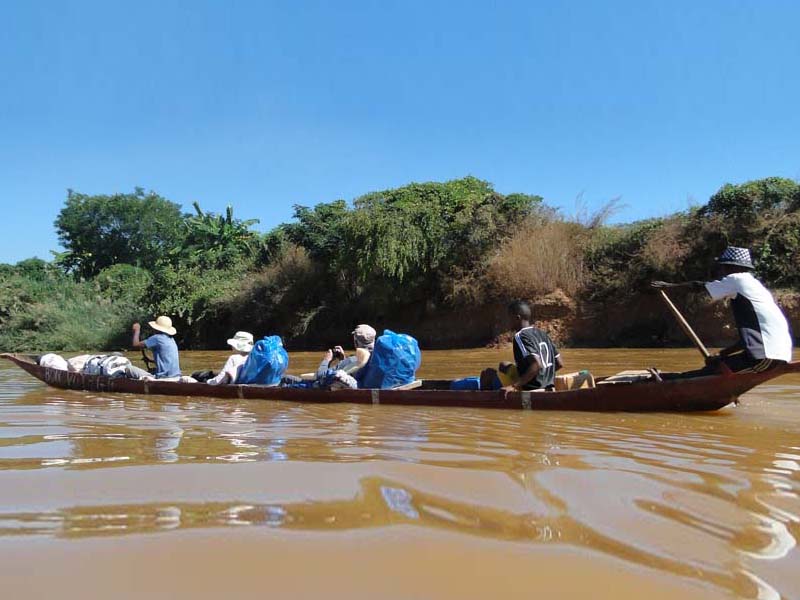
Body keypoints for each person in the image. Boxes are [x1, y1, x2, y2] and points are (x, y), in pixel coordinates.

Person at [652, 246, 793, 375]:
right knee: (716, 367)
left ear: (730, 267)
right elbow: (751, 340)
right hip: (773, 354)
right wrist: (722, 354)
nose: (721, 272)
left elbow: (699, 286)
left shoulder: (736, 279)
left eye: (723, 267)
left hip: (765, 357)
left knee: (709, 374)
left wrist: (669, 286)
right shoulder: (755, 286)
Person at [502, 300, 563, 392]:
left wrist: (514, 386)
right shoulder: (542, 333)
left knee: (488, 374)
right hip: (549, 386)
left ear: (517, 318)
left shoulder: (520, 336)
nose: (507, 321)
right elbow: (559, 363)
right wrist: (545, 376)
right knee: (503, 365)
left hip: (532, 389)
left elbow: (536, 364)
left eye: (509, 318)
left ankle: (487, 401)